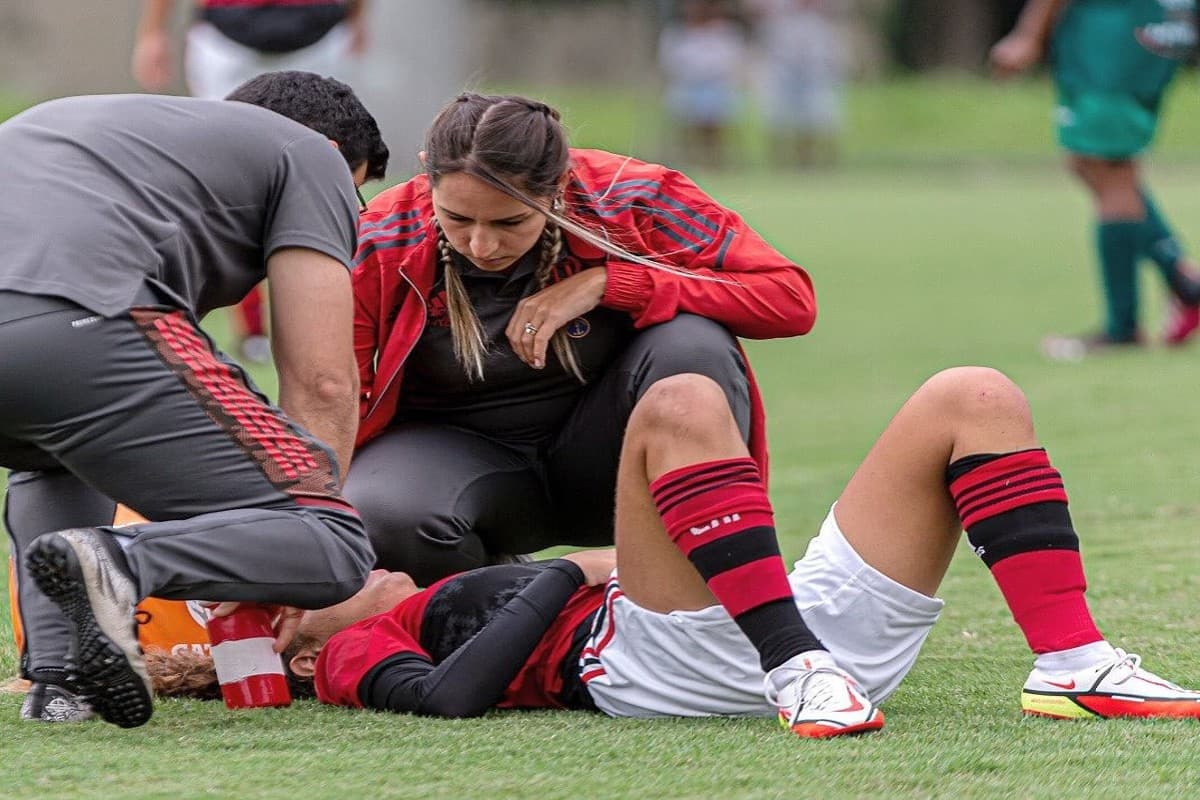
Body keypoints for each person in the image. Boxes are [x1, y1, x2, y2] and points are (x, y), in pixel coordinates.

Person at [147, 367, 1200, 732]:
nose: (333, 578)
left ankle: (1072, 659)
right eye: (292, 601)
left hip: (791, 639)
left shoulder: (415, 596)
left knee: (974, 397)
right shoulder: (346, 656)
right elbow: (450, 698)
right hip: (665, 670)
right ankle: (795, 667)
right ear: (290, 649)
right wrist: (565, 567)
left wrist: (603, 559)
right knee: (682, 402)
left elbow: (614, 556)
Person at [0, 70, 389, 727]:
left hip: (48, 342)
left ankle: (61, 683)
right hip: (77, 315)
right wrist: (284, 545)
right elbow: (322, 379)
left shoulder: (86, 120)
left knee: (53, 455)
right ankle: (117, 564)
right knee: (331, 541)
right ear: (330, 149)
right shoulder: (308, 156)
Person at [346, 92, 816, 587]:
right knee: (381, 511)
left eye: (511, 222)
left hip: (611, 459)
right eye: (458, 219)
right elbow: (338, 390)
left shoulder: (631, 196)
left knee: (694, 342)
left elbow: (787, 298)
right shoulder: (382, 235)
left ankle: (700, 589)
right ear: (427, 172)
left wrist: (613, 284)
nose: (482, 245)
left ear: (559, 183)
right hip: (457, 460)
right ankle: (517, 603)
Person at [131, 0, 370, 364]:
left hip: (313, 27)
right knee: (226, 181)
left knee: (328, 169)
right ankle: (254, 328)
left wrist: (356, 18)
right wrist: (152, 32)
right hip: (233, 32)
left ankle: (334, 318)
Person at [991, 0, 1200, 360]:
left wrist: (1027, 36)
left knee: (1112, 171)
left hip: (1113, 41)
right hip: (1152, 30)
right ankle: (1183, 280)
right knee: (1090, 162)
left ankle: (1123, 327)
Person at [744, 0, 848, 169]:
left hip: (816, 63)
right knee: (775, 118)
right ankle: (779, 165)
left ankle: (813, 165)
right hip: (780, 62)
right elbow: (754, 13)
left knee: (818, 118)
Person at [657, 0, 748, 168]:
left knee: (717, 107)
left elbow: (731, 63)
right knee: (681, 105)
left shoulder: (726, 32)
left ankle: (715, 162)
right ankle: (689, 162)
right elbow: (670, 64)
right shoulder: (676, 33)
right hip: (687, 86)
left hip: (717, 85)